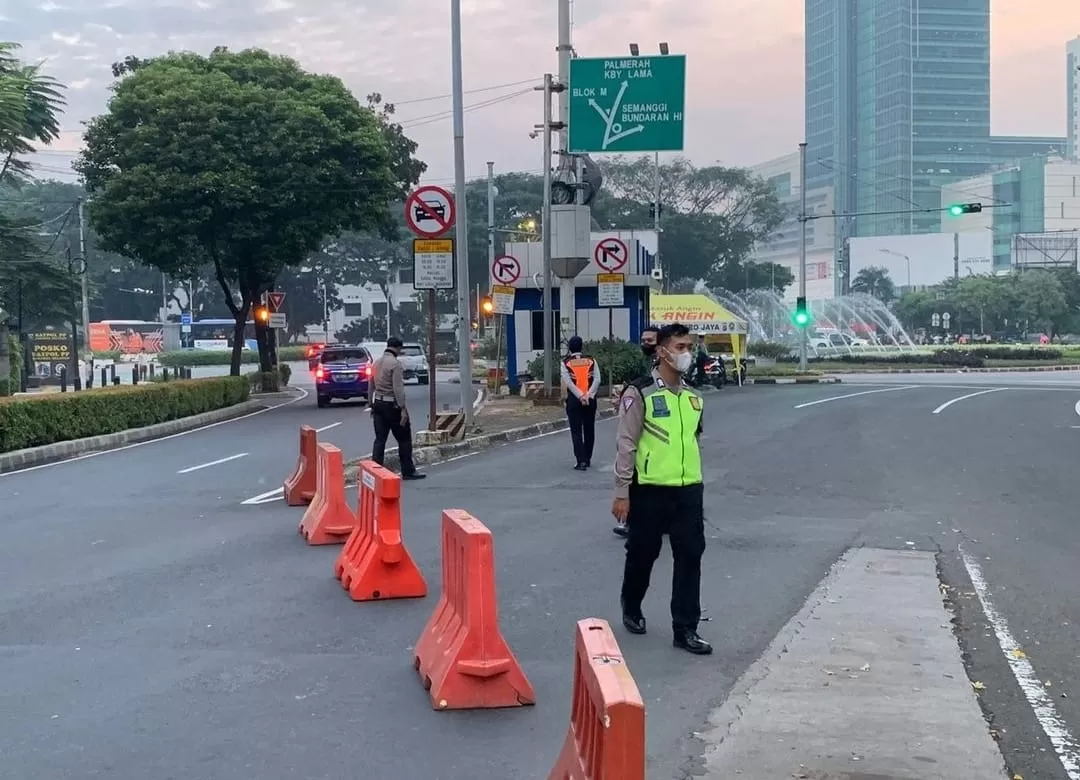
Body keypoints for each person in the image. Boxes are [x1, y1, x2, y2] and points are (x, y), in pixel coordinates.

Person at [612, 322, 711, 655]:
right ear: (662, 351)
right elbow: (626, 443)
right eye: (681, 347)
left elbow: (694, 438)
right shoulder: (639, 392)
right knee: (643, 552)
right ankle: (631, 603)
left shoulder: (693, 397)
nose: (687, 353)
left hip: (687, 490)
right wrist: (622, 492)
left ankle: (685, 628)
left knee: (690, 555)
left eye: (690, 347)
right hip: (649, 490)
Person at [613, 326, 661, 538]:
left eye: (650, 340)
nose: (645, 344)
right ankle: (633, 521)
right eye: (643, 340)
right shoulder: (640, 361)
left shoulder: (662, 363)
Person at [370, 337, 426, 480]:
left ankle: (375, 472)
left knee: (380, 440)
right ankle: (408, 471)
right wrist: (402, 409)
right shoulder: (395, 364)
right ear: (398, 348)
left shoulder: (376, 363)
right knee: (404, 438)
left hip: (378, 404)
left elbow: (370, 386)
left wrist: (371, 404)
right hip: (392, 406)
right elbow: (398, 389)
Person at [560, 336, 600, 471]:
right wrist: (588, 395)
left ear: (569, 348)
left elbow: (569, 383)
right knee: (589, 429)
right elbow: (597, 379)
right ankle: (588, 458)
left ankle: (581, 461)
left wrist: (580, 396)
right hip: (590, 399)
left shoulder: (566, 362)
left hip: (574, 400)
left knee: (576, 431)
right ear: (581, 346)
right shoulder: (591, 360)